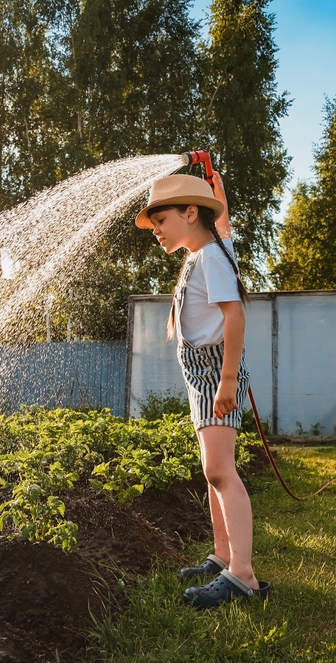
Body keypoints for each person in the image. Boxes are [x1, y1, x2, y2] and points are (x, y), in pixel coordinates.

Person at [135, 171, 271, 608]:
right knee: (212, 471)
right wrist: (214, 182)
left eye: (161, 220)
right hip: (203, 377)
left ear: (191, 213)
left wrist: (227, 379)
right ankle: (224, 556)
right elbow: (224, 221)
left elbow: (235, 317)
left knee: (219, 471)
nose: (155, 230)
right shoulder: (207, 249)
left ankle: (243, 576)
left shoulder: (210, 257)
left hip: (216, 375)